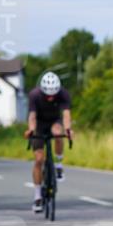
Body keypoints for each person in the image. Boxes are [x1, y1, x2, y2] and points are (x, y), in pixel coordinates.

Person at [23, 71, 72, 213]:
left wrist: (68, 130)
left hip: (54, 121)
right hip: (39, 123)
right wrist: (31, 130)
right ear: (42, 91)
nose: (51, 98)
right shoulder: (34, 95)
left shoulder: (63, 94)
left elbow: (66, 115)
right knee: (39, 159)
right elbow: (32, 116)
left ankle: (58, 164)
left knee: (58, 133)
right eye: (47, 95)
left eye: (53, 94)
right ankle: (37, 196)